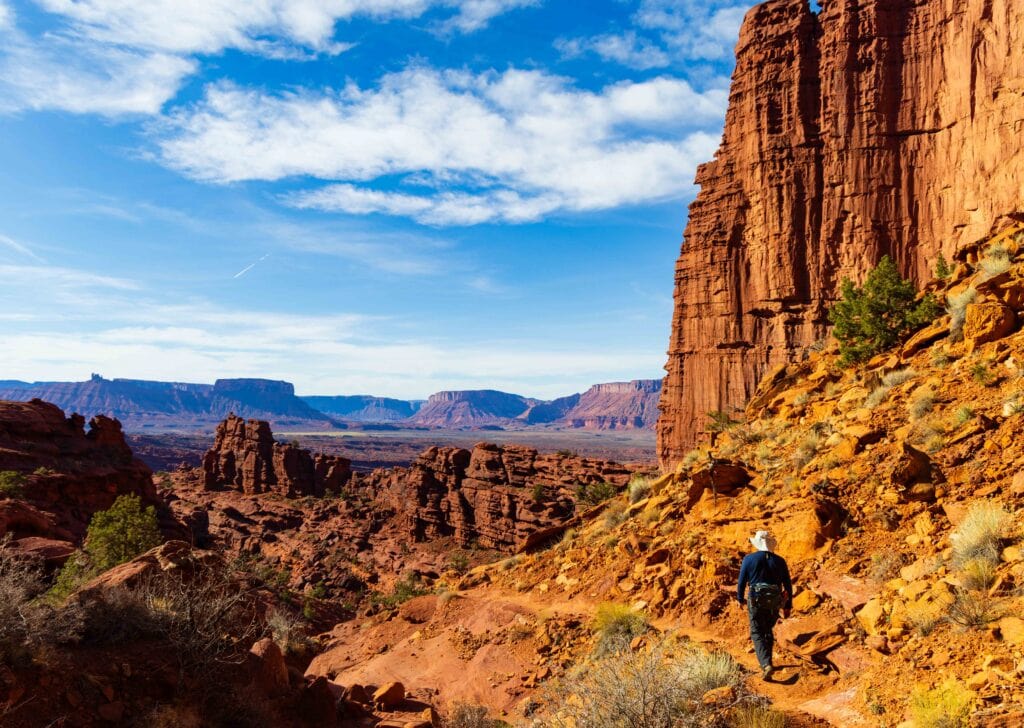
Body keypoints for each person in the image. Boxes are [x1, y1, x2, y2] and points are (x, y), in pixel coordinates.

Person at [736, 530, 792, 680]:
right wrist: (788, 606)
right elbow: (788, 584)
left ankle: (766, 664)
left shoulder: (749, 559)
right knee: (767, 630)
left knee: (756, 631)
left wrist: (740, 598)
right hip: (774, 602)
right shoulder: (780, 561)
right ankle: (768, 662)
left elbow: (741, 582)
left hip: (755, 600)